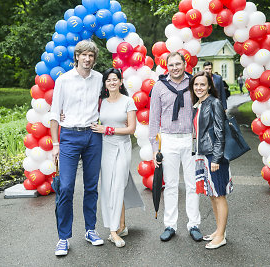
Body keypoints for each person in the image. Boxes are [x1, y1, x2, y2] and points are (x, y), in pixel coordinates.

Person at [50, 40, 104, 256]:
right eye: (84, 55)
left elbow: (111, 99)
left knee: (91, 186)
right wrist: (55, 144)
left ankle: (90, 230)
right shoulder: (63, 80)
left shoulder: (99, 78)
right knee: (66, 187)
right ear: (77, 56)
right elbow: (55, 113)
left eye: (91, 55)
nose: (88, 59)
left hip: (92, 135)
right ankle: (63, 237)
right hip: (70, 136)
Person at [149, 52, 202, 242]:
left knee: (192, 184)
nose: (175, 68)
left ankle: (193, 224)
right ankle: (170, 225)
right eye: (171, 65)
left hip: (190, 138)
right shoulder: (159, 87)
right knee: (170, 184)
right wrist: (155, 148)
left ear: (184, 64)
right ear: (167, 66)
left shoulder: (194, 84)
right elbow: (154, 120)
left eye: (178, 64)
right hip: (169, 139)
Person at [91, 68, 144, 248]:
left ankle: (114, 230)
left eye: (115, 79)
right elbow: (86, 116)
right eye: (108, 80)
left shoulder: (128, 102)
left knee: (119, 184)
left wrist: (108, 129)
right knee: (108, 187)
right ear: (105, 84)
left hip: (122, 146)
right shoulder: (101, 102)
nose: (112, 82)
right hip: (105, 147)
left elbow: (131, 129)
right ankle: (120, 226)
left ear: (121, 82)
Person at [188, 71, 233, 250]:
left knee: (219, 194)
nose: (199, 88)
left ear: (209, 86)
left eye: (202, 85)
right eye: (196, 85)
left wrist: (216, 158)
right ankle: (218, 230)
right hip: (203, 154)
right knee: (212, 195)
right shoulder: (199, 104)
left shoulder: (214, 102)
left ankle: (221, 235)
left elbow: (220, 132)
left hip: (214, 156)